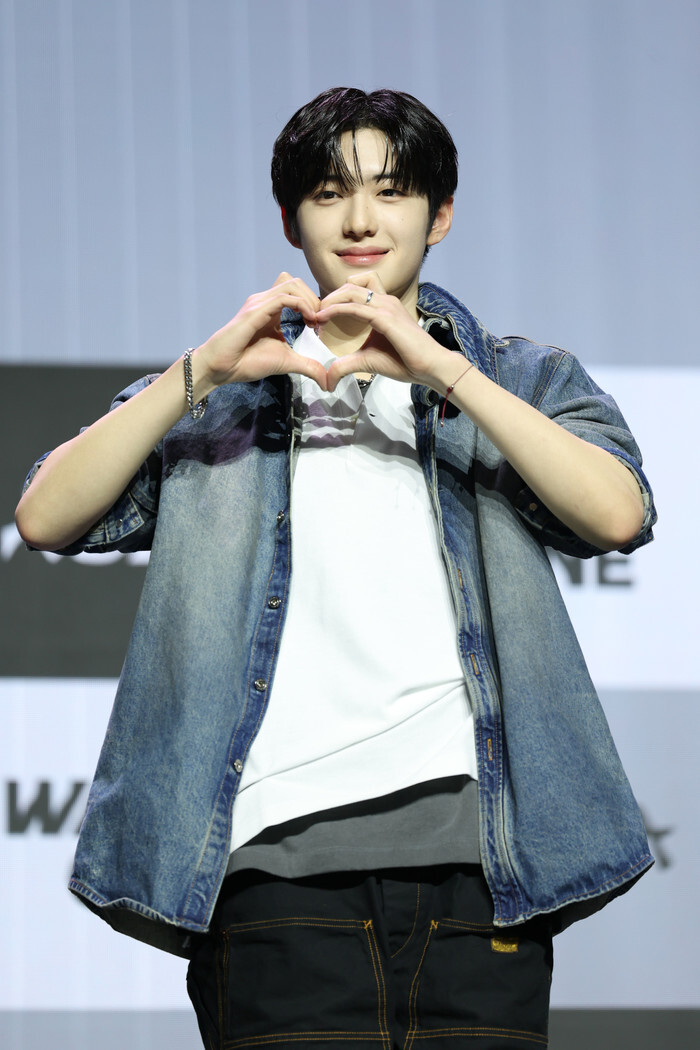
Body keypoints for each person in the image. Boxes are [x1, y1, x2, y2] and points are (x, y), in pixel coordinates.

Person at [16, 87, 656, 1049]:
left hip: (482, 877)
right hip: (273, 881)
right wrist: (201, 372)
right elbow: (44, 517)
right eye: (329, 193)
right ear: (291, 219)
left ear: (440, 214)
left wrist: (443, 372)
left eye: (391, 192)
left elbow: (617, 514)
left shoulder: (519, 377)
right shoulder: (226, 388)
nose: (361, 220)